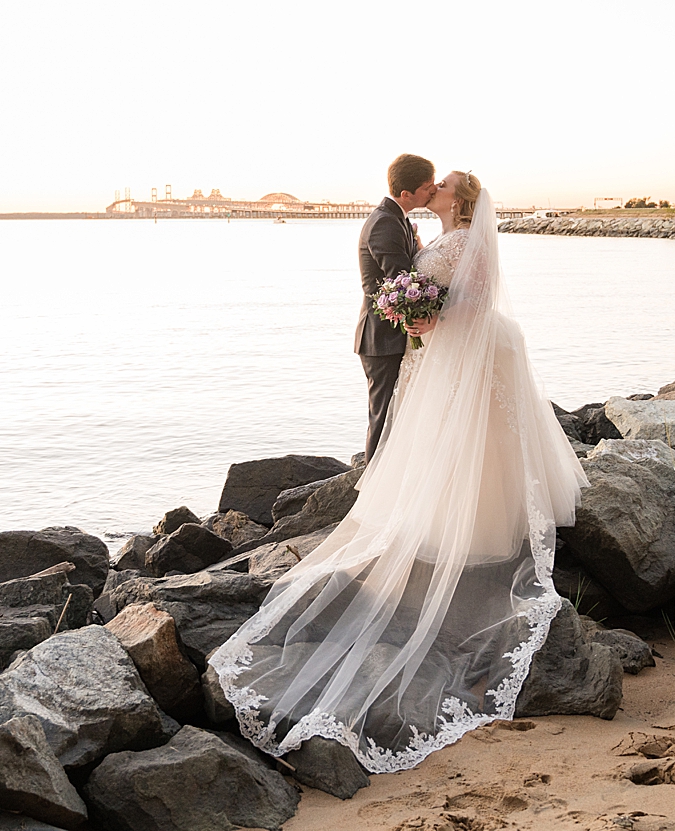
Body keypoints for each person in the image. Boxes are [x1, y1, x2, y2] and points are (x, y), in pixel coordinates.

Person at [210, 169, 587, 774]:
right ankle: (454, 521)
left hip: (464, 349)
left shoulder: (465, 242)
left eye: (444, 183)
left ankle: (482, 529)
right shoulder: (438, 235)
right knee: (444, 438)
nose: (434, 185)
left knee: (471, 441)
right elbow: (433, 292)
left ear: (456, 199)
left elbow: (471, 299)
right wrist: (421, 316)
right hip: (449, 348)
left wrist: (427, 318)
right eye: (431, 181)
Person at [354, 154, 437, 461]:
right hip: (382, 338)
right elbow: (400, 282)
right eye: (428, 186)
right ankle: (371, 484)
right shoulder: (384, 223)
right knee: (384, 416)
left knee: (398, 413)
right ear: (407, 194)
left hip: (395, 334)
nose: (433, 190)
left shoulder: (397, 218)